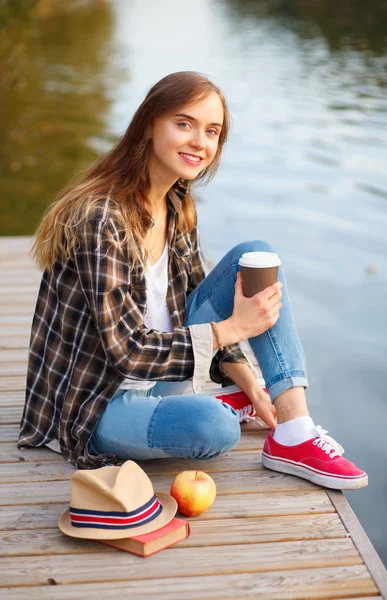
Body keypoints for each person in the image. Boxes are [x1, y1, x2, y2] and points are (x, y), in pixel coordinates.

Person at [18, 71, 367, 490]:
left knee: (254, 256)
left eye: (212, 131)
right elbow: (128, 352)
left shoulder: (177, 202)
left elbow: (192, 303)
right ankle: (210, 405)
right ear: (149, 125)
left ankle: (294, 431)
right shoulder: (100, 219)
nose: (200, 142)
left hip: (161, 371)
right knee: (215, 429)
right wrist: (234, 329)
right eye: (184, 124)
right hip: (96, 402)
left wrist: (253, 385)